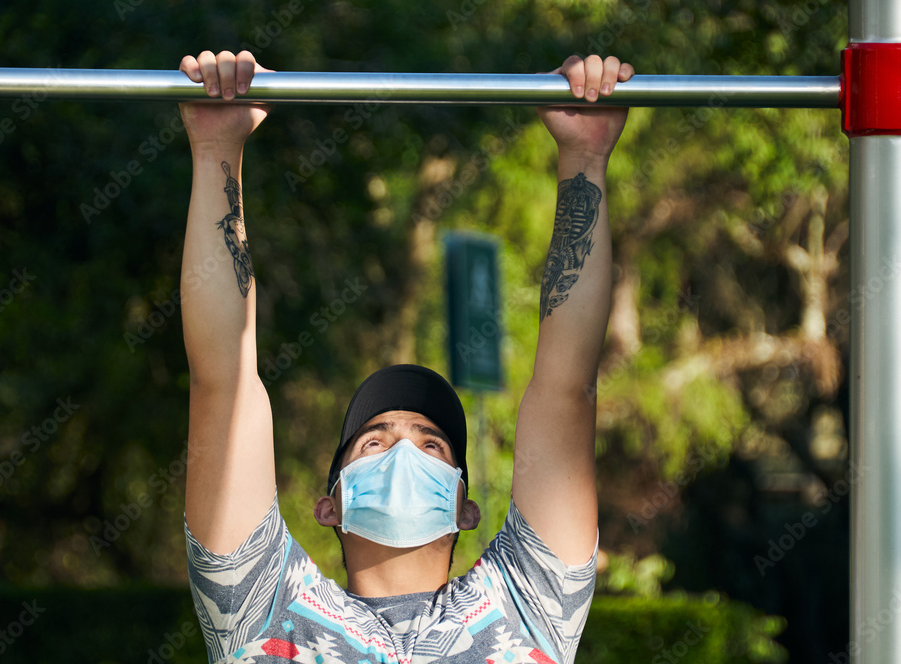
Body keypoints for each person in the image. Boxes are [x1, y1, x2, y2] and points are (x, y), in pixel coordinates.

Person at [179, 49, 633, 663]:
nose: (402, 452)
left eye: (431, 445)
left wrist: (585, 156)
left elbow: (566, 388)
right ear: (330, 505)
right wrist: (215, 148)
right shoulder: (262, 608)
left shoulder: (525, 604)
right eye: (374, 441)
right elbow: (224, 384)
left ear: (465, 506)